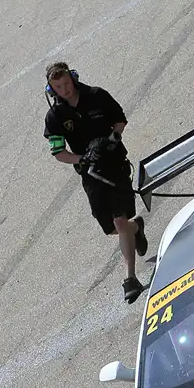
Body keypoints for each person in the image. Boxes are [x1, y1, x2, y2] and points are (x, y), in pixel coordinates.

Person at [43, 62, 148, 304]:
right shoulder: (55, 117)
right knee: (112, 228)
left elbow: (120, 119)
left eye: (66, 83)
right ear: (51, 90)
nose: (65, 90)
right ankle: (135, 228)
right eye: (58, 87)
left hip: (114, 166)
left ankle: (130, 279)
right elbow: (58, 152)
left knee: (119, 221)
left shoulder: (97, 95)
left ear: (73, 77)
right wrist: (82, 158)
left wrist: (112, 139)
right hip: (91, 175)